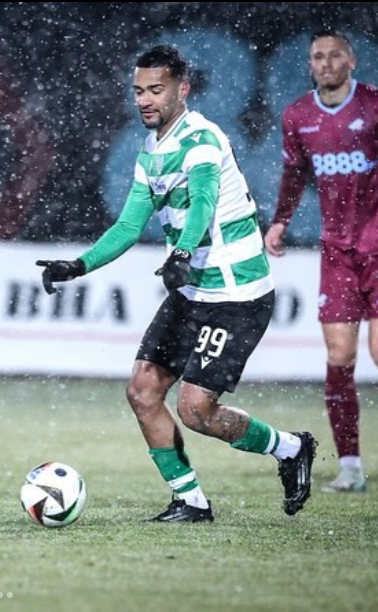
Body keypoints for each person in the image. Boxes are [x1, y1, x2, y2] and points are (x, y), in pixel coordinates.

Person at [37, 45, 317, 522]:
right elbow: (129, 226)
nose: (144, 100)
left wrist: (183, 252)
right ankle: (190, 501)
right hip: (191, 292)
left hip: (236, 295)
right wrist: (78, 266)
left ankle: (290, 448)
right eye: (138, 91)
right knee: (142, 391)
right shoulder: (151, 152)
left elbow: (204, 201)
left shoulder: (203, 140)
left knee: (196, 411)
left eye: (156, 90)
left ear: (182, 90)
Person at [264, 30, 376, 494]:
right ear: (310, 65)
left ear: (351, 61)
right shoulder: (298, 116)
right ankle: (349, 466)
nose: (327, 63)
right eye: (318, 57)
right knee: (339, 356)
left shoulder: (373, 106)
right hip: (336, 251)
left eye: (335, 55)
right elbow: (294, 173)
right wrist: (280, 221)